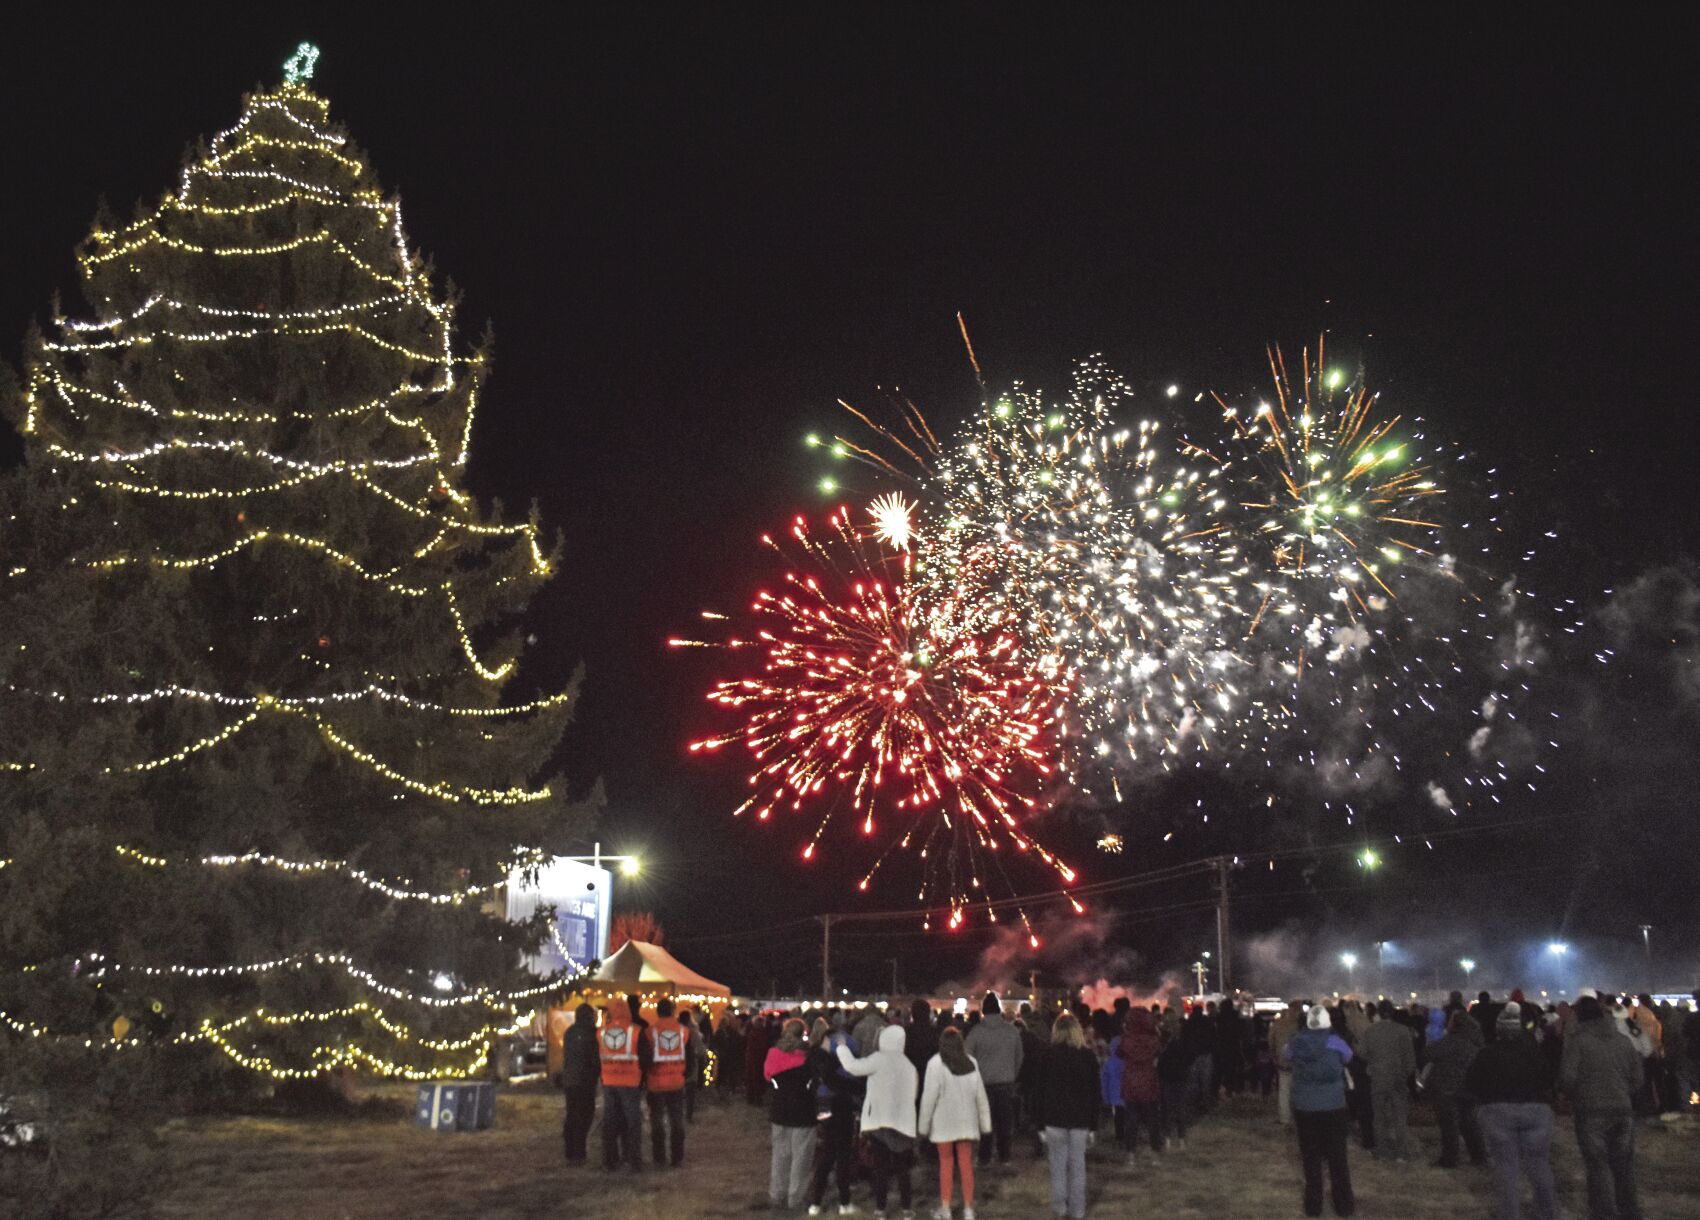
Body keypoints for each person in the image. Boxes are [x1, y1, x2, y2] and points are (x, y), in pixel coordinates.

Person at [1467, 1002, 1558, 1220]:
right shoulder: (1535, 1053)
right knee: (1539, 1165)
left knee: (1506, 1168)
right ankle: (1550, 1214)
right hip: (1536, 1111)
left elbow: (1472, 1083)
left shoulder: (1487, 1054)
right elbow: (1550, 1080)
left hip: (1498, 1112)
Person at [1561, 993, 1645, 1220]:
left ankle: (1605, 1213)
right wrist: (1622, 1093)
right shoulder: (1623, 1041)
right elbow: (1638, 1078)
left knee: (1599, 1167)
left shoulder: (1578, 1042)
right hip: (1622, 1111)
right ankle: (1630, 1212)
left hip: (1591, 1112)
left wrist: (1576, 1095)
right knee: (1624, 1167)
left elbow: (1567, 1079)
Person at [837, 1023, 920, 1220]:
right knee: (902, 1169)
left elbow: (853, 1067)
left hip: (879, 1121)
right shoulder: (909, 1066)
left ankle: (881, 1209)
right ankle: (907, 1209)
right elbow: (913, 1095)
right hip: (901, 1123)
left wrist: (842, 1047)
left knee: (880, 1168)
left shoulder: (878, 1059)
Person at [1284, 1004, 1356, 1219]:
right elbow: (1349, 1057)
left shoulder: (1296, 1042)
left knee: (1310, 1157)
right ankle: (1344, 1205)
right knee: (1337, 1157)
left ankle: (1313, 1206)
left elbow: (1286, 1055)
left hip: (1305, 1107)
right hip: (1333, 1106)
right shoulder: (1335, 1042)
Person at [919, 1026, 991, 1220]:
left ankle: (946, 1207)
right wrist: (985, 1124)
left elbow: (928, 1098)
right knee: (966, 1164)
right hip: (966, 1122)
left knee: (946, 1164)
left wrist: (923, 1126)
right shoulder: (971, 1063)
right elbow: (980, 1096)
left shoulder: (935, 1064)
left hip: (943, 1123)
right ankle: (968, 1208)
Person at [1035, 1012, 1099, 1220]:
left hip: (1054, 1119)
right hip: (1080, 1120)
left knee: (1058, 1166)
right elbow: (1095, 1093)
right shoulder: (1087, 1057)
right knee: (1078, 1166)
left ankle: (1060, 1208)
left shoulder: (1047, 1055)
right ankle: (1078, 1211)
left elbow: (1039, 1092)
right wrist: (1094, 1125)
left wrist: (1039, 1124)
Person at [807, 1013, 859, 1217]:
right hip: (839, 1110)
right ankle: (844, 1202)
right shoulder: (826, 1061)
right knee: (841, 1156)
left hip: (823, 1109)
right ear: (827, 1039)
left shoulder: (814, 1056)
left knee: (827, 1156)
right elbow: (838, 1082)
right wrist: (857, 1086)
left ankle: (816, 1202)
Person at [964, 992, 1023, 1167]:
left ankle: (984, 1157)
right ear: (999, 1010)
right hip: (1006, 1083)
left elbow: (967, 1057)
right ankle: (1005, 1156)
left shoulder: (976, 1032)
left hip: (983, 1083)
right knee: (1005, 1122)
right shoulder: (1012, 1031)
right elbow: (1019, 1057)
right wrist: (1012, 1073)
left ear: (983, 1011)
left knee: (985, 1122)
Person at [1423, 1008, 1486, 1169]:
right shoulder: (1475, 1042)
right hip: (1470, 1089)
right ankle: (1479, 1156)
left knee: (1449, 1125)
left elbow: (1427, 1054)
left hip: (1448, 1088)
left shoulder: (1451, 1041)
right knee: (1470, 1123)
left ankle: (1449, 1159)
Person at [765, 1017, 817, 1211]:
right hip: (803, 1111)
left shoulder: (773, 1053)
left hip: (779, 1110)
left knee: (780, 1155)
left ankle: (777, 1194)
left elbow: (767, 1076)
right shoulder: (807, 1055)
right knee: (801, 1157)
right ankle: (796, 1197)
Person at [1359, 1000, 1417, 1161]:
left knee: (1379, 1116)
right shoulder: (1403, 1030)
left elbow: (1362, 1052)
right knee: (1399, 1116)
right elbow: (1410, 1057)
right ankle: (1402, 1152)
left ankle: (1382, 1150)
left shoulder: (1371, 1030)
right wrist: (1407, 1073)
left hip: (1378, 1076)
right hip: (1398, 1077)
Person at [598, 997, 646, 1173]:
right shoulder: (636, 1031)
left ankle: (609, 1161)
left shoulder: (602, 1032)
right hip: (630, 1082)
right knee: (633, 1122)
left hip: (609, 1082)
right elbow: (645, 1056)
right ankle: (633, 1161)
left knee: (610, 1122)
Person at [641, 997, 689, 1167]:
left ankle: (659, 1158)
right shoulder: (683, 1031)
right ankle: (677, 1157)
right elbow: (687, 1054)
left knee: (657, 1121)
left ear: (657, 1011)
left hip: (656, 1082)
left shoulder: (650, 1031)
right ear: (673, 1011)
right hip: (677, 1081)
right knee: (677, 1120)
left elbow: (646, 1057)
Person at [1117, 1006, 1163, 1154]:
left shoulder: (1126, 1039)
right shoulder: (1153, 1039)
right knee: (1152, 1118)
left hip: (1131, 1080)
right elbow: (1158, 1052)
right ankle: (1155, 1148)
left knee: (1131, 1118)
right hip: (1148, 1079)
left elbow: (1119, 1053)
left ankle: (1130, 1151)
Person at [561, 1002, 600, 1164]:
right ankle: (579, 1152)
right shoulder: (592, 1033)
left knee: (572, 1114)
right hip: (585, 1080)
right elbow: (594, 1059)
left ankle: (570, 1151)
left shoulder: (569, 1032)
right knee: (584, 1116)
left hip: (570, 1080)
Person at [1157, 1020, 1194, 1150]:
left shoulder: (1165, 1049)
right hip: (1181, 1081)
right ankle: (1181, 1139)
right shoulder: (1185, 1046)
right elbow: (1189, 1062)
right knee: (1180, 1111)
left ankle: (1168, 1139)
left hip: (1168, 1081)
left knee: (1167, 1110)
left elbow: (1160, 1067)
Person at [1270, 1000, 1305, 1127]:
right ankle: (1299, 1115)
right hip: (1300, 1063)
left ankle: (1284, 1117)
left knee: (1284, 1090)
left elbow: (1271, 1041)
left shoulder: (1278, 1024)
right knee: (1299, 1090)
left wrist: (1274, 1055)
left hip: (1283, 1061)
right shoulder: (1302, 1026)